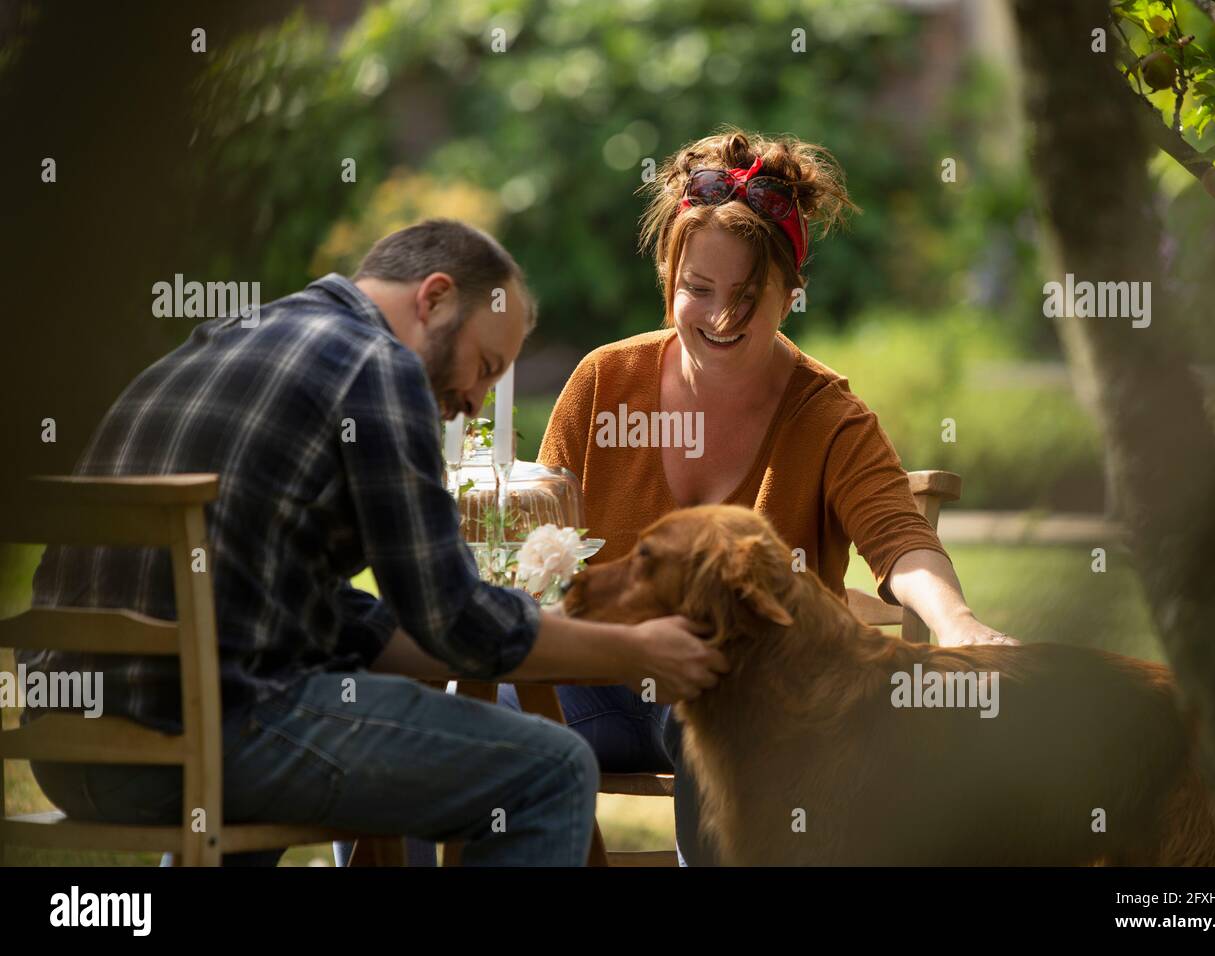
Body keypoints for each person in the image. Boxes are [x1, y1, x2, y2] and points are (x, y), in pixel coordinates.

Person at [21, 219, 726, 866]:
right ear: (436, 298)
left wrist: (540, 636)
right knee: (550, 768)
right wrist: (632, 651)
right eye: (484, 366)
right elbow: (456, 623)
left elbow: (298, 608)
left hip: (71, 749)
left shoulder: (213, 344)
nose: (474, 404)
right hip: (213, 743)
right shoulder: (375, 365)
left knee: (310, 694)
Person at [497, 129, 1016, 865]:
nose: (719, 318)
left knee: (725, 724)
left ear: (790, 291)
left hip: (748, 690)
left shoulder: (827, 413)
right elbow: (537, 541)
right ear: (668, 278)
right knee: (455, 723)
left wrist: (956, 620)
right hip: (598, 675)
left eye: (748, 295)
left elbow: (899, 539)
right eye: (697, 291)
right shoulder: (605, 382)